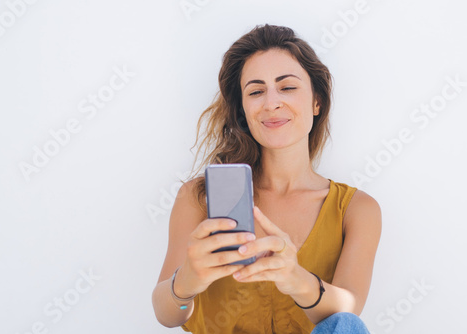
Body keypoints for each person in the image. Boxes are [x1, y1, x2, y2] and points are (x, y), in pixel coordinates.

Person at [152, 23, 382, 333]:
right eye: (256, 91)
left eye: (287, 87)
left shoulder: (357, 210)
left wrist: (294, 278)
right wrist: (187, 280)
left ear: (317, 102)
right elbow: (167, 315)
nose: (271, 103)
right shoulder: (198, 197)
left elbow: (348, 313)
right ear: (243, 110)